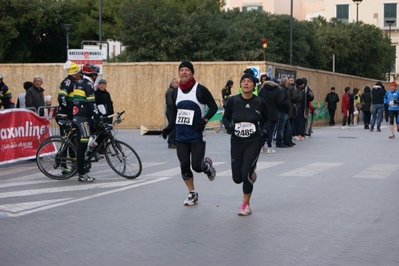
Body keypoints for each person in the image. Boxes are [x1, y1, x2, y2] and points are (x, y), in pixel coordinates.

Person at [161, 61, 217, 206]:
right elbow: (174, 113)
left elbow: (213, 107)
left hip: (197, 135)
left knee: (197, 167)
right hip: (181, 136)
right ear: (179, 73)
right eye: (182, 70)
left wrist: (204, 120)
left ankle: (207, 166)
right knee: (184, 165)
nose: (184, 72)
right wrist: (169, 128)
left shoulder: (200, 90)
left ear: (192, 73)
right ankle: (192, 193)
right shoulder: (175, 92)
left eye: (187, 70)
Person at [222, 71, 270, 216]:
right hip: (237, 141)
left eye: (249, 81)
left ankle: (245, 204)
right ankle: (249, 173)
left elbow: (268, 119)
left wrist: (264, 131)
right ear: (240, 85)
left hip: (254, 141)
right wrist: (228, 126)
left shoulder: (259, 102)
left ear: (253, 85)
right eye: (244, 81)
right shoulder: (233, 101)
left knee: (245, 174)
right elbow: (225, 118)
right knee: (237, 178)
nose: (246, 83)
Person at [72, 64, 102, 182]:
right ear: (93, 75)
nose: (96, 77)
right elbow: (92, 103)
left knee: (82, 145)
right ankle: (81, 174)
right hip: (83, 119)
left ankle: (83, 166)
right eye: (96, 75)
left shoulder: (79, 82)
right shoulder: (88, 84)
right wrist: (98, 116)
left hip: (78, 116)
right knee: (82, 146)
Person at [258, 79, 283, 152]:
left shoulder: (262, 89)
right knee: (271, 130)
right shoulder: (278, 90)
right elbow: (280, 102)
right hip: (273, 112)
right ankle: (269, 146)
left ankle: (261, 146)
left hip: (262, 112)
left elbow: (259, 100)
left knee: (262, 129)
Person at [165, 78, 179, 148]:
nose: (178, 84)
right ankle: (171, 142)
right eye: (176, 83)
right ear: (172, 84)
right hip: (171, 112)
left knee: (174, 127)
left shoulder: (173, 91)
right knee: (172, 127)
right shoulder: (171, 91)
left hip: (172, 112)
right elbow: (171, 103)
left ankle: (174, 142)